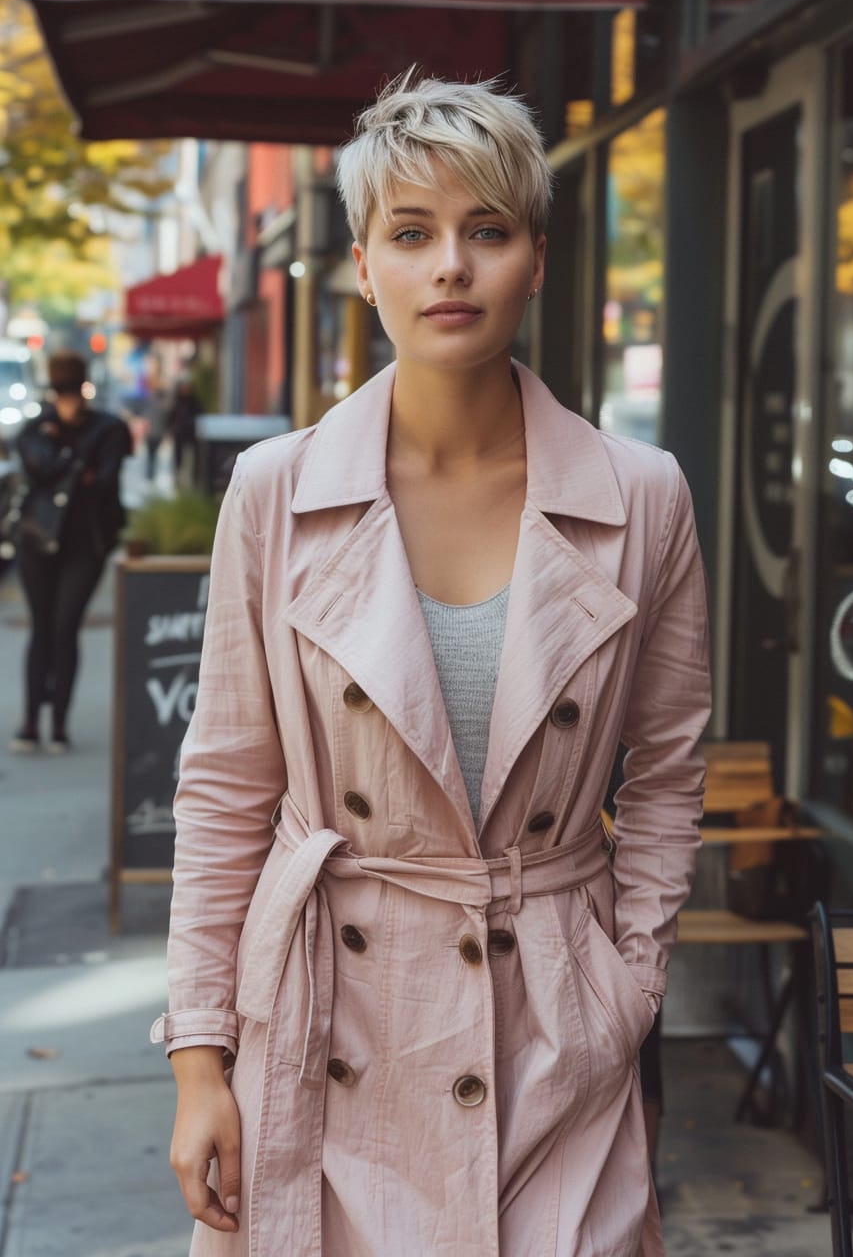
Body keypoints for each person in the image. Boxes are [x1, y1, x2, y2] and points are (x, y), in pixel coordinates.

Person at [154, 73, 711, 1257]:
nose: (449, 266)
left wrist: (628, 986)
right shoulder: (278, 492)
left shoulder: (640, 496)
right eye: (410, 234)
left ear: (537, 260)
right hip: (329, 1023)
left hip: (554, 1030)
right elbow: (223, 790)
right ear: (362, 266)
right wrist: (201, 1059)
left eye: (486, 231)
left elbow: (665, 768)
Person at [10, 351, 131, 753]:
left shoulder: (107, 428)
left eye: (72, 390)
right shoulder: (34, 429)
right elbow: (39, 469)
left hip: (86, 545)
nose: (67, 399)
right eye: (59, 391)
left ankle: (59, 723)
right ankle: (30, 723)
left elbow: (106, 481)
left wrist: (67, 463)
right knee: (41, 629)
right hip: (37, 543)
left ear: (84, 388)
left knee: (65, 628)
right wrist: (78, 463)